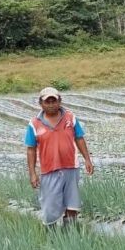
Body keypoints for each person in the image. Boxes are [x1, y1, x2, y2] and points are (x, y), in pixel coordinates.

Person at [25, 87, 94, 227]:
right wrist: (32, 173)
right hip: (49, 170)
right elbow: (31, 149)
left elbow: (79, 138)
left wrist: (87, 159)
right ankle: (52, 237)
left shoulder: (70, 118)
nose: (51, 104)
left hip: (70, 167)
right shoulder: (34, 124)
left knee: (72, 205)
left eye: (54, 101)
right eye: (47, 102)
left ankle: (70, 235)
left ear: (60, 101)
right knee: (50, 208)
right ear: (41, 104)